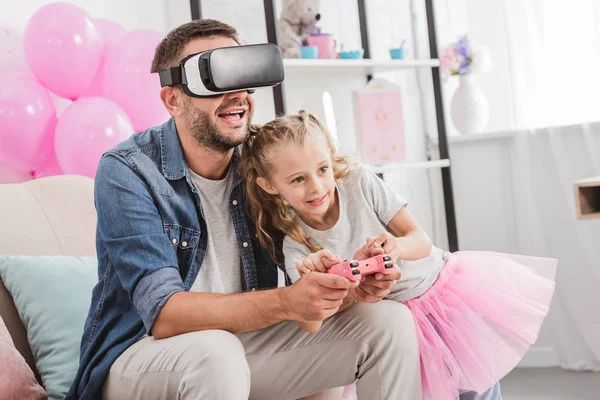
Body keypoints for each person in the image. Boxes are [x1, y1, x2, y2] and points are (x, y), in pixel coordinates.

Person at [66, 19, 425, 400]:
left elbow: (308, 267)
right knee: (216, 352)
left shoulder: (267, 168)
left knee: (387, 322)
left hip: (242, 348)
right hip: (141, 357)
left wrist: (347, 286)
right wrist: (288, 302)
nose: (237, 94)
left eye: (243, 74)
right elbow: (164, 314)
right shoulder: (128, 170)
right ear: (173, 100)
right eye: (214, 78)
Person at [241, 110, 558, 400]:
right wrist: (321, 287)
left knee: (477, 390)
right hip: (399, 324)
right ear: (270, 185)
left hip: (438, 300)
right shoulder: (296, 244)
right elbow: (311, 326)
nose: (316, 186)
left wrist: (396, 247)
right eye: (298, 179)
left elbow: (420, 240)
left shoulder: (358, 182)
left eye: (322, 169)